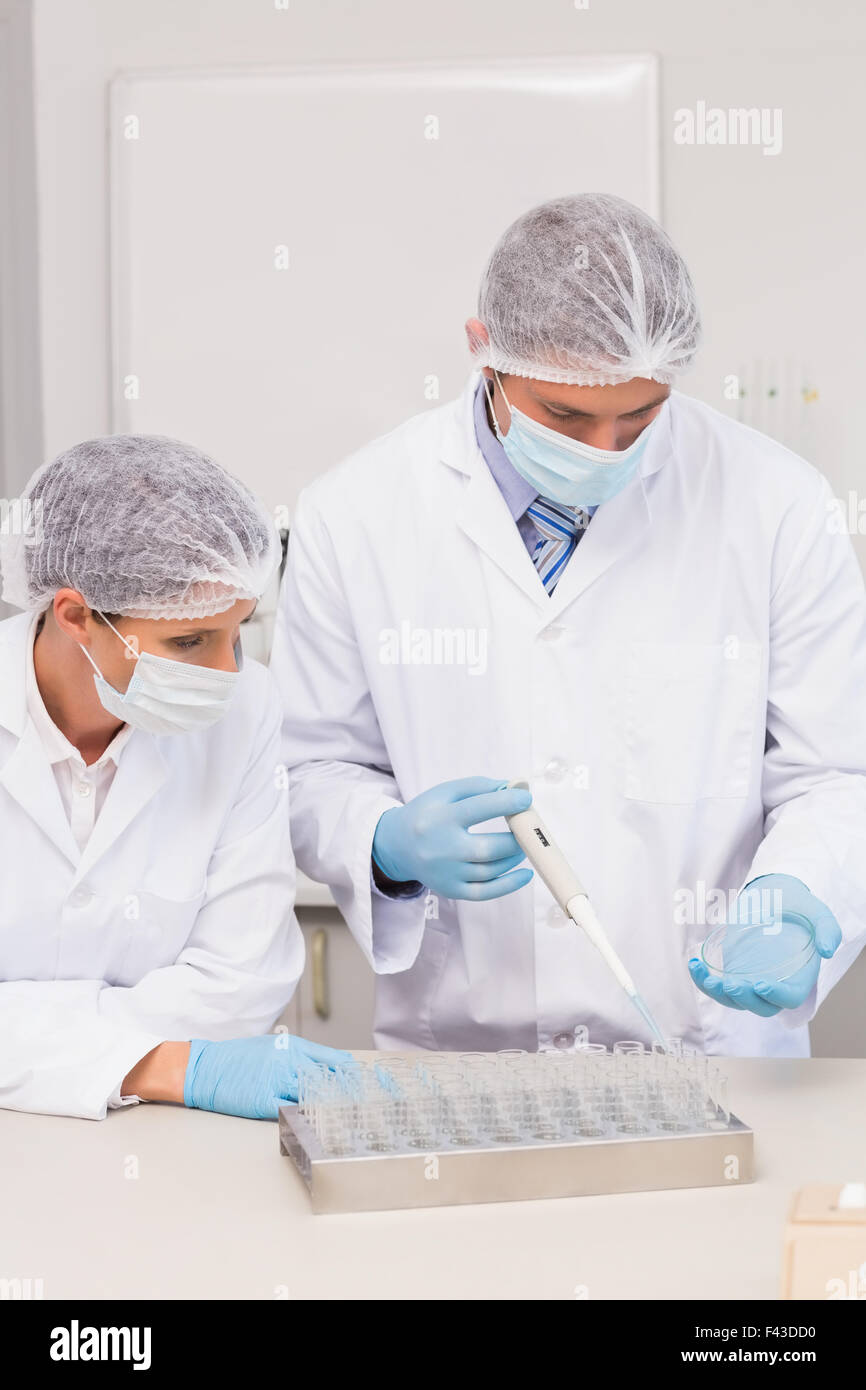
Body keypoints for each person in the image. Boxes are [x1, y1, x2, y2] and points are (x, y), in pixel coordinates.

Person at [271, 192, 866, 1057]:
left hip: (709, 1049)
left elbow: (836, 775)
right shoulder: (356, 513)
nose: (607, 448)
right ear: (483, 352)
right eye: (566, 416)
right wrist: (384, 843)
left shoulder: (778, 505)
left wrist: (798, 892)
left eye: (641, 415)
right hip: (463, 1060)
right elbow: (312, 765)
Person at [0, 434, 348, 1120]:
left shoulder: (245, 711)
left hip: (161, 1140)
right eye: (187, 642)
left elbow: (239, 986)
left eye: (239, 631)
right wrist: (160, 1060)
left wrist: (36, 1027)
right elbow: (198, 1027)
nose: (227, 673)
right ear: (75, 616)